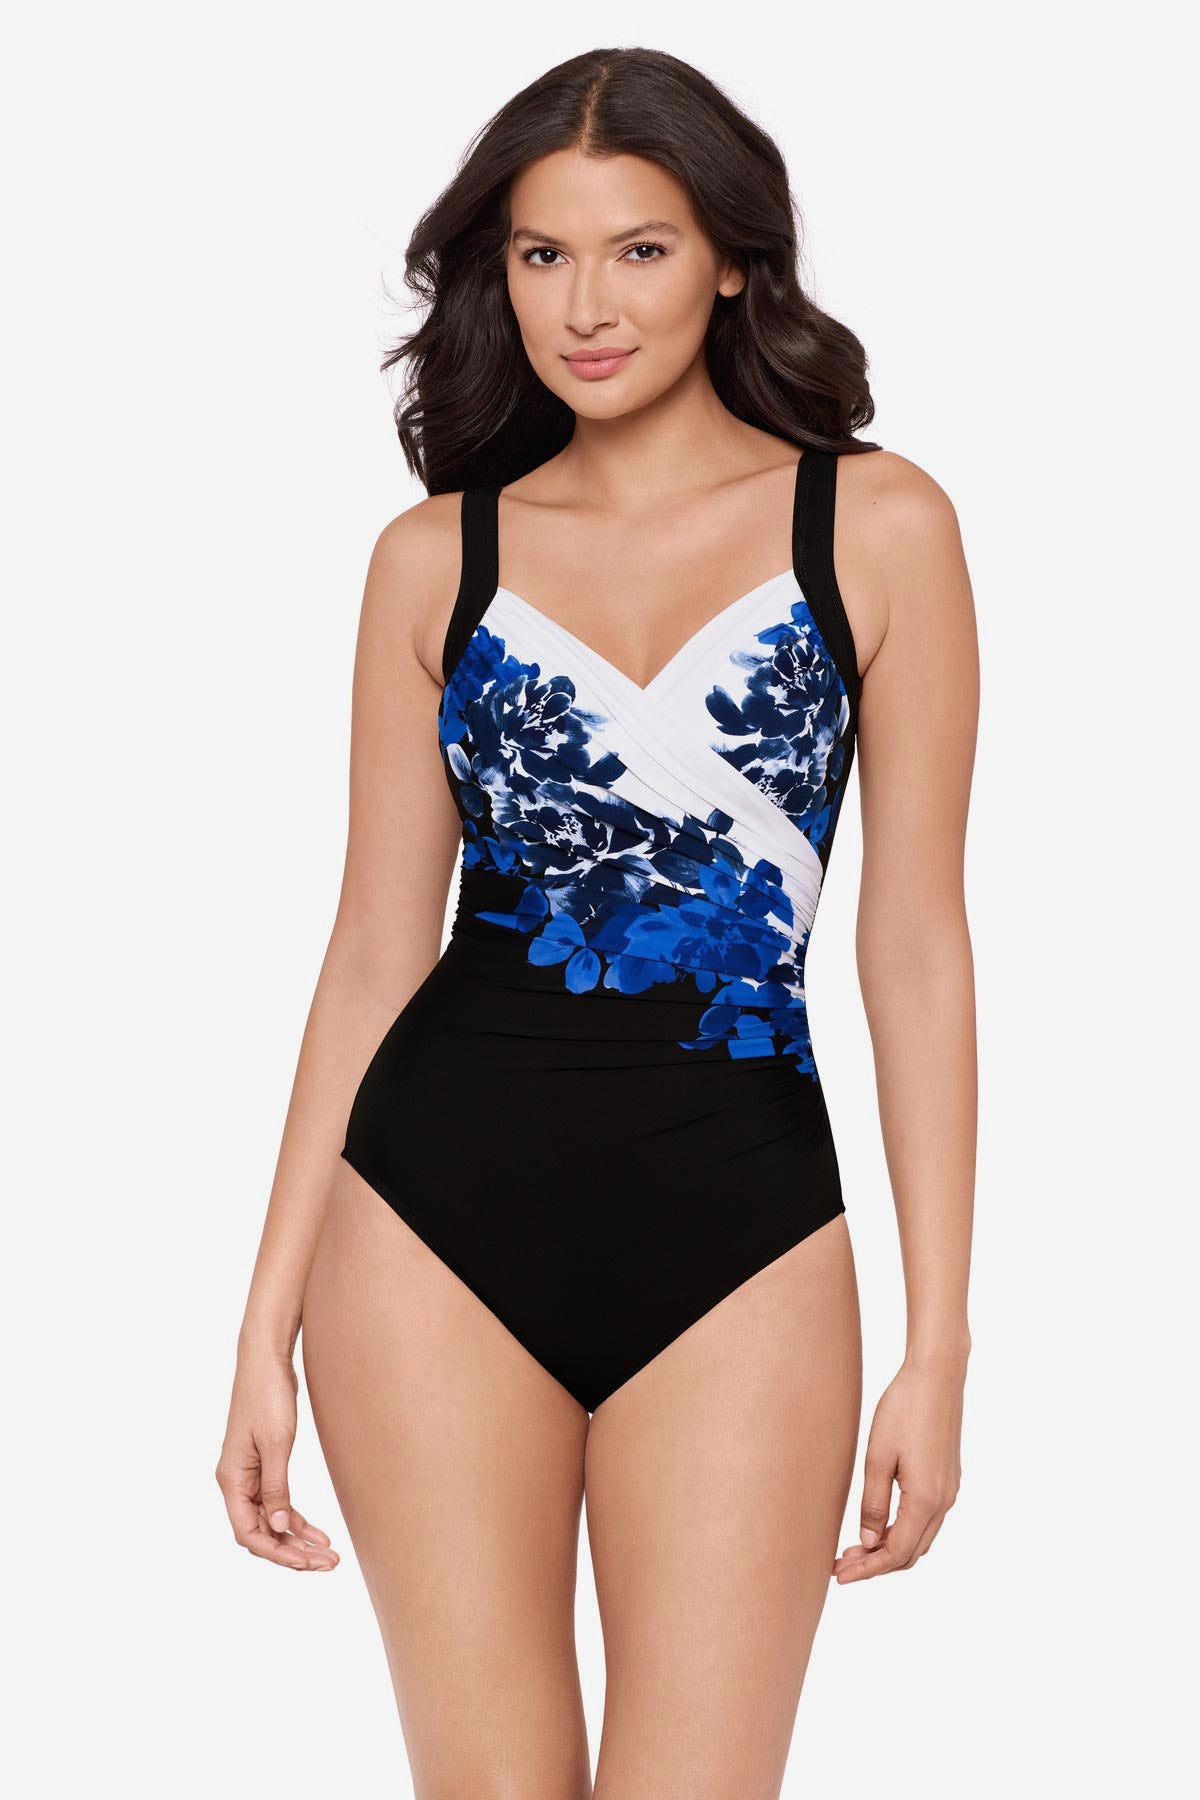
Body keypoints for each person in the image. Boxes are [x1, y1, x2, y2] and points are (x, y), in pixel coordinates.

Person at [217, 45, 978, 1800]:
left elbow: (916, 950)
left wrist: (939, 1344)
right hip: (425, 1228)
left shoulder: (877, 526)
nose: (587, 305)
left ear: (734, 263)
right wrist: (262, 1322)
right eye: (542, 254)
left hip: (745, 1230)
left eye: (640, 249)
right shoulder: (437, 558)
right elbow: (372, 952)